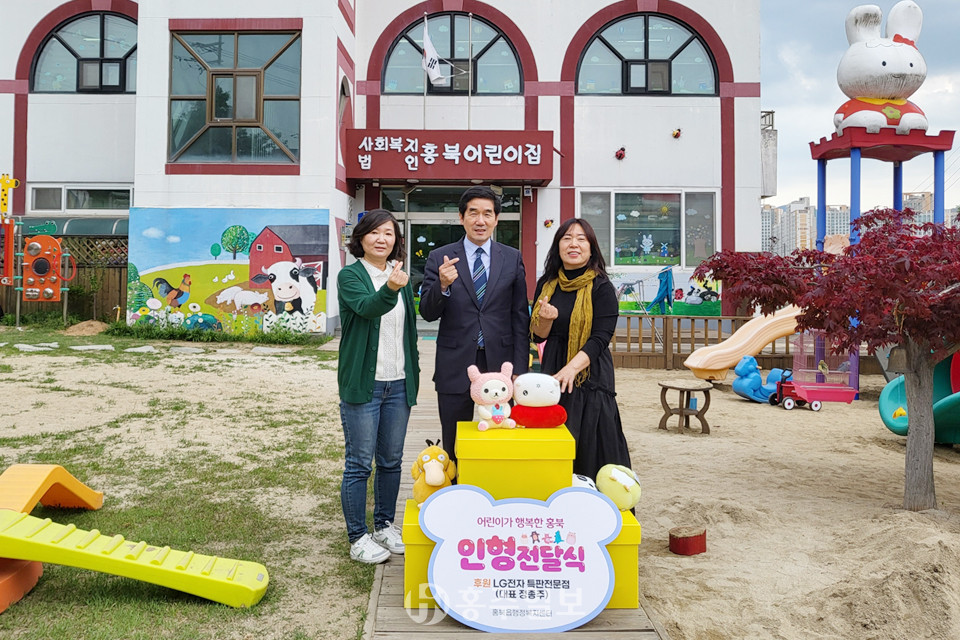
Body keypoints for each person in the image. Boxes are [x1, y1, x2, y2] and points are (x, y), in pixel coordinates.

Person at [419, 186, 530, 463]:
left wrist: (519, 368)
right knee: (454, 441)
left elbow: (519, 316)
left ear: (496, 219)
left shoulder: (512, 258)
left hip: (500, 365)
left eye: (487, 214)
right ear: (461, 217)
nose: (480, 220)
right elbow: (428, 313)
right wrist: (442, 285)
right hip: (455, 364)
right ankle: (455, 487)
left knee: (498, 441)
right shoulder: (440, 257)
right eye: (473, 213)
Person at [337, 209, 420, 564]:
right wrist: (390, 288)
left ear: (396, 240)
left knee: (391, 461)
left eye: (388, 233)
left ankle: (384, 525)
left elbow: (409, 329)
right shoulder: (350, 276)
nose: (381, 239)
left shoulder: (400, 277)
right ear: (361, 238)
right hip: (363, 385)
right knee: (359, 463)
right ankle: (358, 537)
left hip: (398, 384)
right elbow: (367, 308)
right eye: (374, 232)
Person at [530, 218, 632, 479]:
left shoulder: (602, 287)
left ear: (591, 247)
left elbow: (601, 338)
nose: (573, 244)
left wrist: (571, 369)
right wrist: (546, 319)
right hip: (554, 369)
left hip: (589, 373)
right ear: (558, 246)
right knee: (557, 437)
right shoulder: (547, 284)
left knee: (590, 440)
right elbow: (538, 335)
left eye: (581, 239)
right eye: (567, 238)